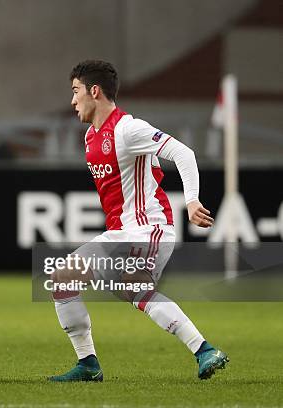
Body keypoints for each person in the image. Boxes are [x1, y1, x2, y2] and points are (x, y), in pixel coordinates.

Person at [49, 60, 228, 382]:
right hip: (125, 231)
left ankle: (88, 365)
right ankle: (204, 350)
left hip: (148, 229)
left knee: (64, 276)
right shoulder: (91, 137)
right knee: (133, 292)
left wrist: (191, 201)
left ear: (94, 91)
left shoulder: (129, 129)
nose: (72, 101)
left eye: (76, 92)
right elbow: (151, 170)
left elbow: (183, 154)